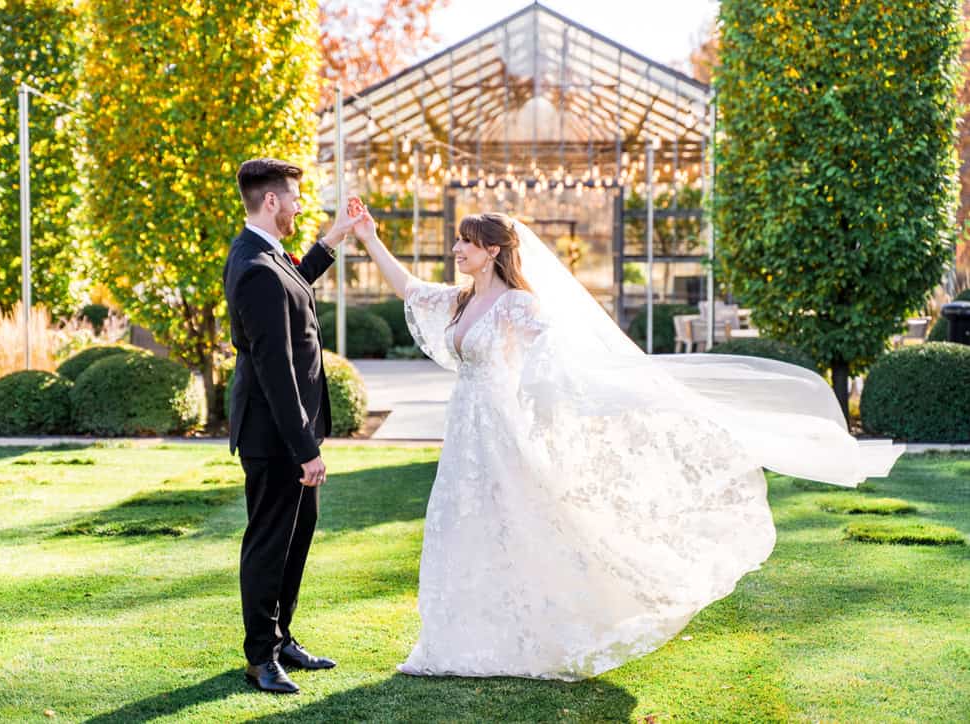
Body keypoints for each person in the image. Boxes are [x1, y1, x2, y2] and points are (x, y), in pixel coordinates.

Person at [346, 199, 904, 680]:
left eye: (465, 243)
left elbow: (559, 359)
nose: (456, 251)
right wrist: (370, 238)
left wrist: (586, 399)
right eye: (457, 244)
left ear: (493, 250)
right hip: (465, 436)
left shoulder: (520, 305)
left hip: (502, 430)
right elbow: (411, 289)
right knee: (461, 524)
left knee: (520, 524)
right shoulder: (463, 301)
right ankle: (453, 644)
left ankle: (534, 634)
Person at [223, 158, 362, 694]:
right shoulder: (255, 265)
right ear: (272, 201)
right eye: (296, 198)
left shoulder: (267, 255)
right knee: (270, 542)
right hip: (275, 434)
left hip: (290, 431)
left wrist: (333, 240)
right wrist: (306, 448)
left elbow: (296, 284)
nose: (301, 205)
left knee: (296, 537)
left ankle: (282, 640)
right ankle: (260, 656)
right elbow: (274, 368)